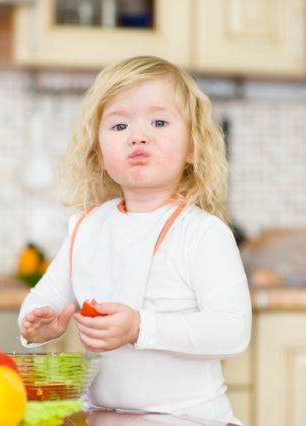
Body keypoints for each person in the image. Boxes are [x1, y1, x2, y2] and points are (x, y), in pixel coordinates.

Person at [18, 56, 252, 424]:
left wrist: (141, 327)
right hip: (104, 417)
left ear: (193, 147)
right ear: (97, 150)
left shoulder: (203, 233)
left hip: (189, 418)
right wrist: (35, 325)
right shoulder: (86, 228)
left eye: (159, 122)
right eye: (119, 124)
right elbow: (45, 297)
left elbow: (232, 330)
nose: (138, 135)